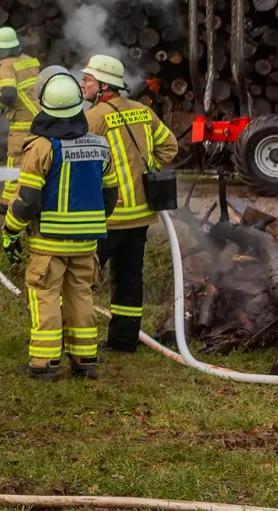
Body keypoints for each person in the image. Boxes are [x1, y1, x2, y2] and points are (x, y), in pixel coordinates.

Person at [0, 71, 119, 380]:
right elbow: (110, 195)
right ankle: (84, 361)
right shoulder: (100, 146)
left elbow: (26, 200)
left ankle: (44, 364)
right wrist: (89, 223)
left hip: (49, 243)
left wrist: (10, 232)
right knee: (81, 296)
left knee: (46, 296)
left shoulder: (41, 147)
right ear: (80, 105)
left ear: (45, 108)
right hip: (87, 243)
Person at [79, 53, 180, 353]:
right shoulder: (143, 112)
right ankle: (124, 342)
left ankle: (73, 340)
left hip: (107, 217)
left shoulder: (93, 118)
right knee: (129, 279)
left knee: (81, 279)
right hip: (140, 217)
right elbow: (170, 147)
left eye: (88, 79)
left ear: (104, 85)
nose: (82, 83)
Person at [0, 26, 41, 216]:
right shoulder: (29, 61)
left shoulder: (5, 66)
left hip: (23, 124)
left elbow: (8, 94)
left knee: (15, 161)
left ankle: (8, 203)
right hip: (42, 119)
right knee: (39, 161)